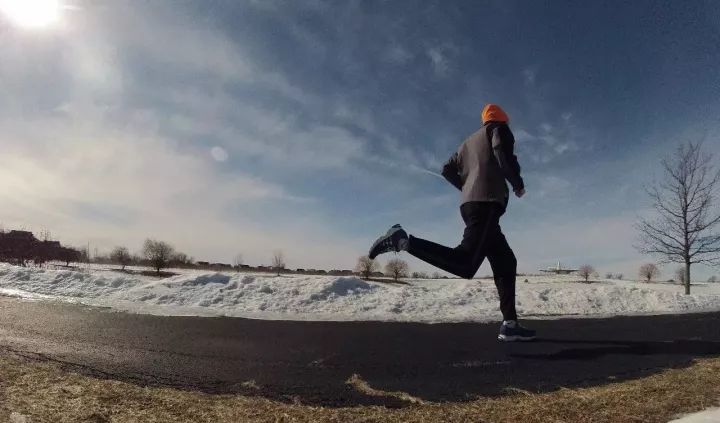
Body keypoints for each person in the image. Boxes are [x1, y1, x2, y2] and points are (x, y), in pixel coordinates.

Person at [368, 104, 535, 342]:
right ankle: (404, 241)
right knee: (466, 264)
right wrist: (516, 182)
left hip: (472, 205)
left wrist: (466, 187)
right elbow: (501, 150)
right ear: (502, 119)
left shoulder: (467, 142)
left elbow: (446, 170)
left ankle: (510, 324)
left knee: (506, 261)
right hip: (486, 203)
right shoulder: (499, 130)